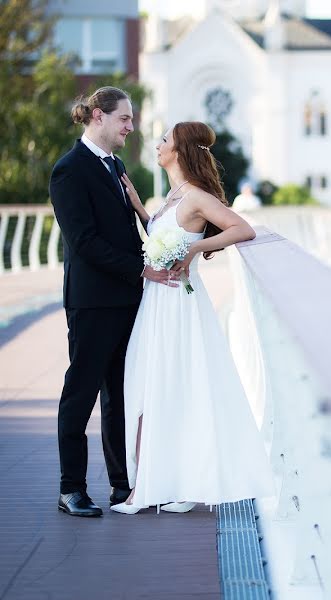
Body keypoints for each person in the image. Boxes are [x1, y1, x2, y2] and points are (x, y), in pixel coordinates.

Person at [112, 122, 274, 514]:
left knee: (173, 386)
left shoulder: (197, 197)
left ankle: (158, 490)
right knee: (149, 384)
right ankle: (160, 485)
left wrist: (196, 248)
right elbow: (161, 232)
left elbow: (243, 228)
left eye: (164, 139)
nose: (158, 144)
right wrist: (137, 205)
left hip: (179, 307)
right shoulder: (173, 197)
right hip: (156, 303)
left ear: (180, 151)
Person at [49, 87, 177, 517]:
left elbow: (127, 232)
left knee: (120, 397)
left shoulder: (116, 165)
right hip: (91, 302)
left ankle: (122, 489)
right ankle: (71, 490)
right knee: (81, 394)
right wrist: (142, 269)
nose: (131, 126)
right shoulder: (69, 170)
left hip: (126, 299)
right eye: (124, 118)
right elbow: (83, 242)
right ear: (98, 117)